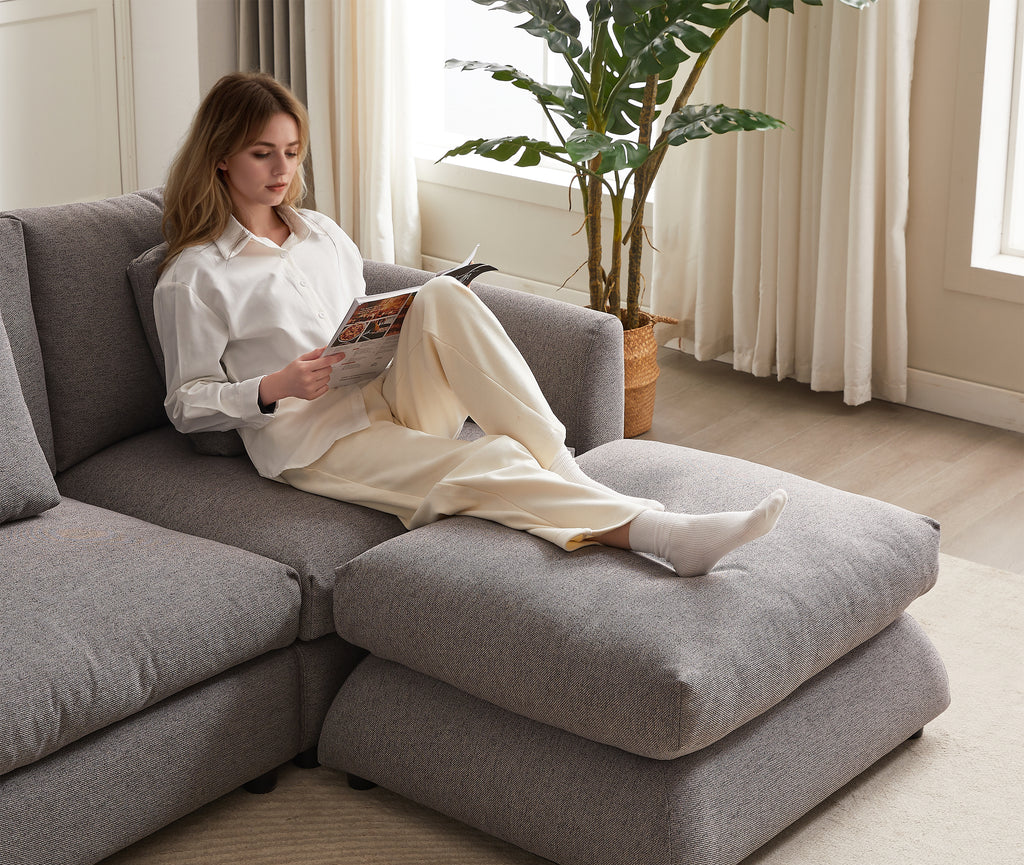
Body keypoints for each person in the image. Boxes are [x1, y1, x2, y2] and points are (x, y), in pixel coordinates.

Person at [155, 72, 787, 577]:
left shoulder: (321, 233)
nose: (282, 171)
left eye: (292, 153)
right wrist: (273, 386)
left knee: (440, 297)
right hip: (313, 443)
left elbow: (355, 323)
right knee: (488, 460)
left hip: (380, 396)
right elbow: (185, 406)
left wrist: (386, 332)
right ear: (220, 158)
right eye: (262, 154)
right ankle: (663, 533)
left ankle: (564, 468)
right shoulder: (195, 276)